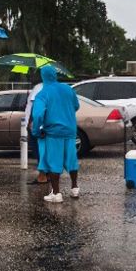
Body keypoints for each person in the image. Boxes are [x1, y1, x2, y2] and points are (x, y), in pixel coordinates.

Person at [32, 65, 81, 203]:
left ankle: (57, 193)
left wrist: (37, 131)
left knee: (54, 162)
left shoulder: (42, 93)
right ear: (55, 75)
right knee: (71, 160)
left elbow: (37, 115)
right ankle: (74, 188)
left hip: (53, 132)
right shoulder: (67, 88)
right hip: (70, 130)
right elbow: (76, 106)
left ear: (43, 77)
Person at [24, 76, 47, 185]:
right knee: (43, 151)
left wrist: (31, 123)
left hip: (35, 125)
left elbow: (35, 107)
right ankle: (46, 175)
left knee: (38, 151)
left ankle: (42, 176)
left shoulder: (38, 87)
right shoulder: (47, 88)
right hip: (42, 125)